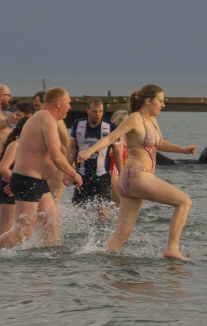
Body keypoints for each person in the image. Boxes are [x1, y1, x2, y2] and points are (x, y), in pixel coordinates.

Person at [75, 85, 197, 258]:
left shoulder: (152, 120)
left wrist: (183, 150)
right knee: (184, 202)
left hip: (135, 179)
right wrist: (89, 151)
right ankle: (172, 248)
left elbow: (159, 143)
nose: (163, 105)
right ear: (148, 101)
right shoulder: (135, 119)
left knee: (121, 236)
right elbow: (111, 137)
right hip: (135, 175)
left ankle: (104, 264)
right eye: (160, 101)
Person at [0, 87, 83, 250]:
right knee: (23, 231)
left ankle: (46, 267)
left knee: (52, 225)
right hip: (27, 180)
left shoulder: (44, 118)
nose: (70, 107)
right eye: (68, 103)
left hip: (36, 181)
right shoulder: (46, 119)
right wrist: (73, 172)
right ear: (58, 102)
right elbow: (56, 155)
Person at [68, 97, 122, 219]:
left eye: (100, 111)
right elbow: (71, 149)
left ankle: (105, 236)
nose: (98, 114)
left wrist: (121, 174)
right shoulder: (78, 124)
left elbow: (118, 152)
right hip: (82, 175)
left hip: (102, 175)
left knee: (103, 215)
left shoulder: (110, 127)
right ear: (87, 110)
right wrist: (67, 171)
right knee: (80, 215)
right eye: (94, 111)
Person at [0, 101, 35, 240]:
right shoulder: (15, 144)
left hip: (18, 188)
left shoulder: (27, 145)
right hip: (7, 187)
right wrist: (18, 182)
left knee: (21, 228)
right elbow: (3, 168)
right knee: (4, 229)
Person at [108, 110, 129, 206]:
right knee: (119, 207)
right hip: (114, 176)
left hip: (115, 176)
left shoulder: (122, 139)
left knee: (114, 209)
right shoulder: (118, 139)